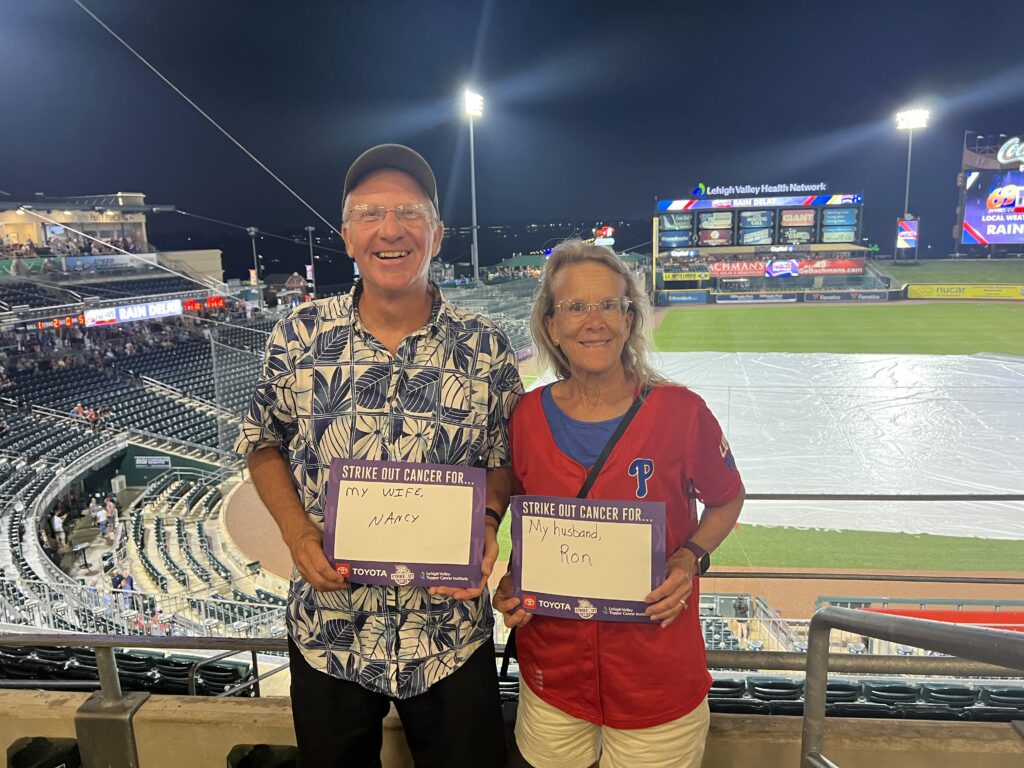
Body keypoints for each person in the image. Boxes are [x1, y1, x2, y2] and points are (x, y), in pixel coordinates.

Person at [235, 144, 522, 767]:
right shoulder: (298, 334)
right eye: (370, 212)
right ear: (346, 236)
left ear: (437, 234)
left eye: (409, 212)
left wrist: (490, 523)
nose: (390, 229)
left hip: (449, 633)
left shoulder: (486, 346)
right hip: (330, 631)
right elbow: (261, 442)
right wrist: (294, 529)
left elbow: (504, 459)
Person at [493, 241, 745, 768]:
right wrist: (514, 584)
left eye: (609, 304)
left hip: (657, 682)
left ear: (629, 319)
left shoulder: (683, 411)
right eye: (576, 307)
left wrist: (689, 555)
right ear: (551, 323)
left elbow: (726, 498)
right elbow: (527, 528)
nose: (595, 321)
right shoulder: (523, 417)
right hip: (553, 679)